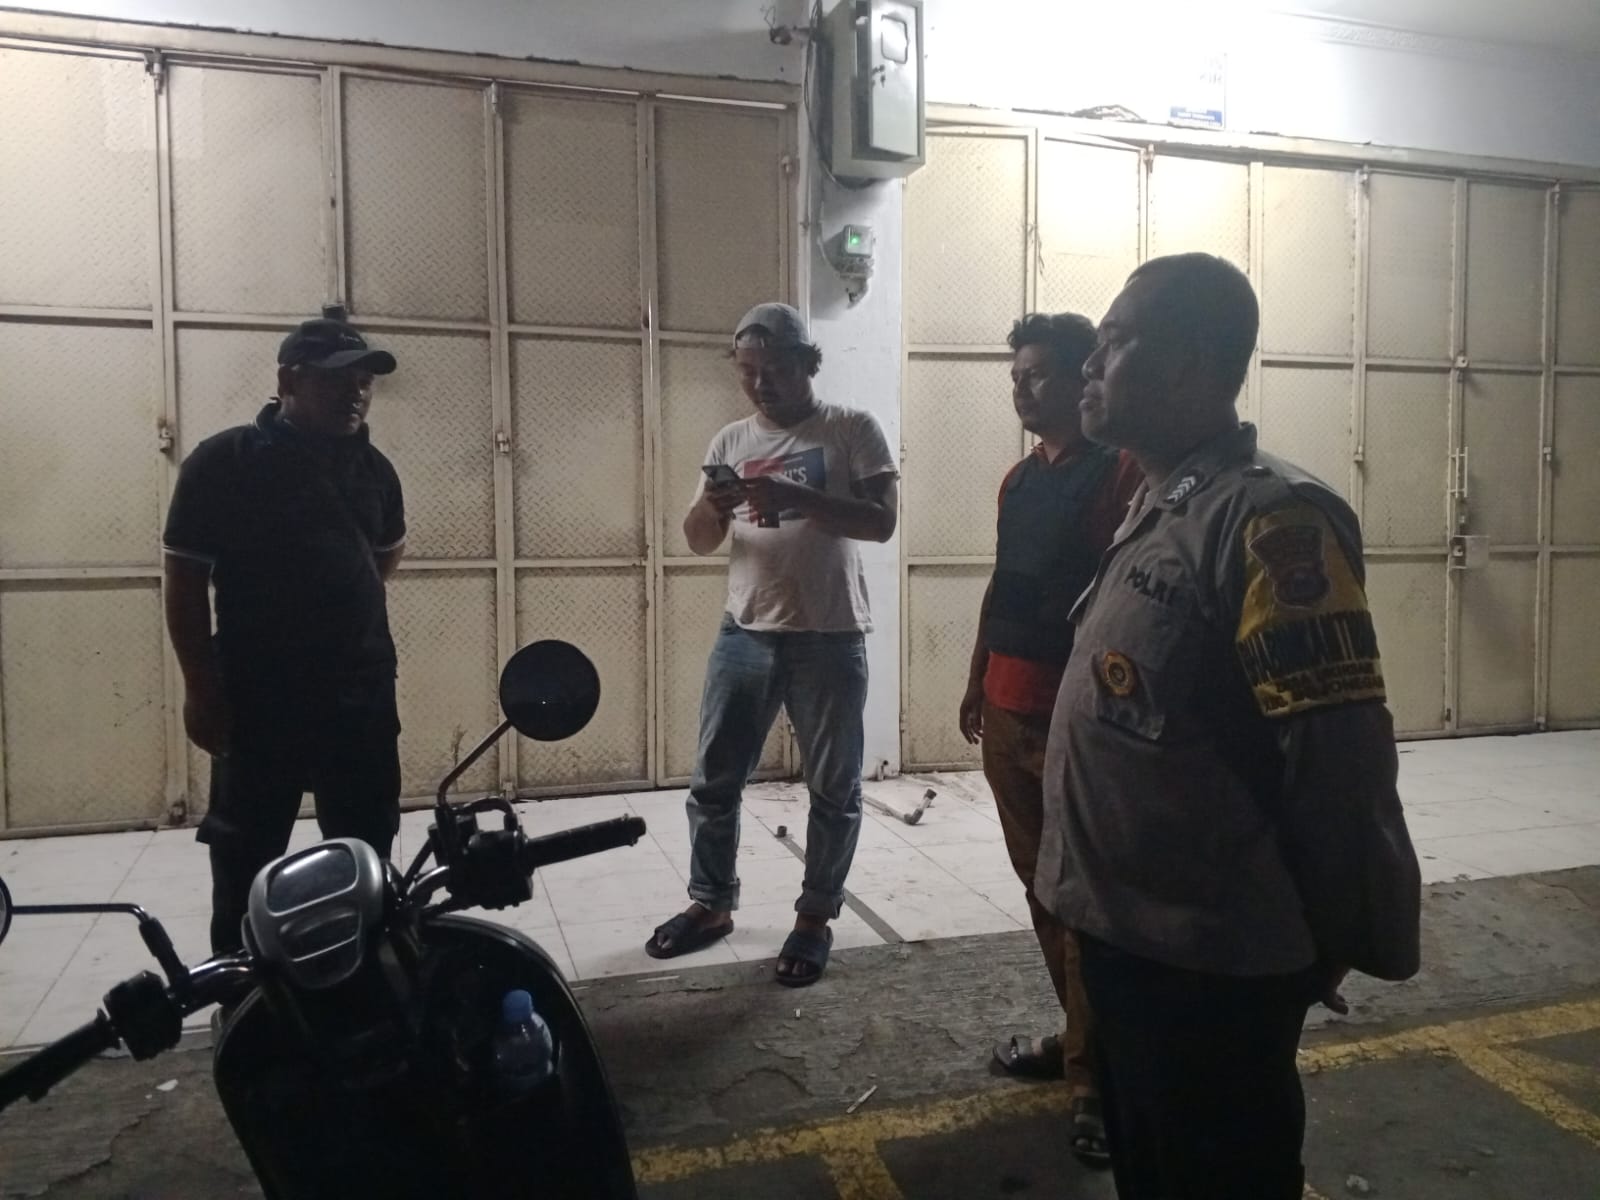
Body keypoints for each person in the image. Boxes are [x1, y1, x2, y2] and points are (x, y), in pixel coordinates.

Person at [1034, 253, 1421, 1199]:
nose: (1090, 363)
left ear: (1189, 364)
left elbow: (1336, 758)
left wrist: (1341, 929)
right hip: (1131, 943)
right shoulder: (1163, 499)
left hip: (1206, 965)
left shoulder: (1270, 521)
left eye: (1115, 341)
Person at [645, 302, 898, 987]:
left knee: (834, 788)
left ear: (807, 364)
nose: (761, 384)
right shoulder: (730, 440)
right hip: (745, 633)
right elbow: (699, 541)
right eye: (748, 371)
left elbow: (881, 523)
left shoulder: (851, 428)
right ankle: (711, 904)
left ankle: (815, 918)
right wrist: (711, 508)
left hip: (830, 634)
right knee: (714, 782)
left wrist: (800, 497)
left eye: (776, 369)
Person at [163, 307, 407, 955]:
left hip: (360, 698)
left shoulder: (375, 470)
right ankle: (245, 991)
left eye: (364, 381)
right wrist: (200, 689)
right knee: (245, 857)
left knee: (365, 855)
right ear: (288, 381)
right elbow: (184, 582)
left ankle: (359, 987)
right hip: (258, 698)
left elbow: (383, 558)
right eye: (337, 379)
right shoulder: (224, 463)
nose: (355, 393)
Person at [957, 313, 1141, 1165]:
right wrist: (976, 678)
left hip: (1078, 720)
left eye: (1036, 374)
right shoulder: (1018, 481)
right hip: (1007, 711)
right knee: (1041, 894)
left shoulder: (1121, 473)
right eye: (1016, 376)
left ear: (1080, 378)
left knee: (1086, 904)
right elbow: (1007, 585)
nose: (1022, 389)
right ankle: (1084, 1047)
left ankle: (1094, 1079)